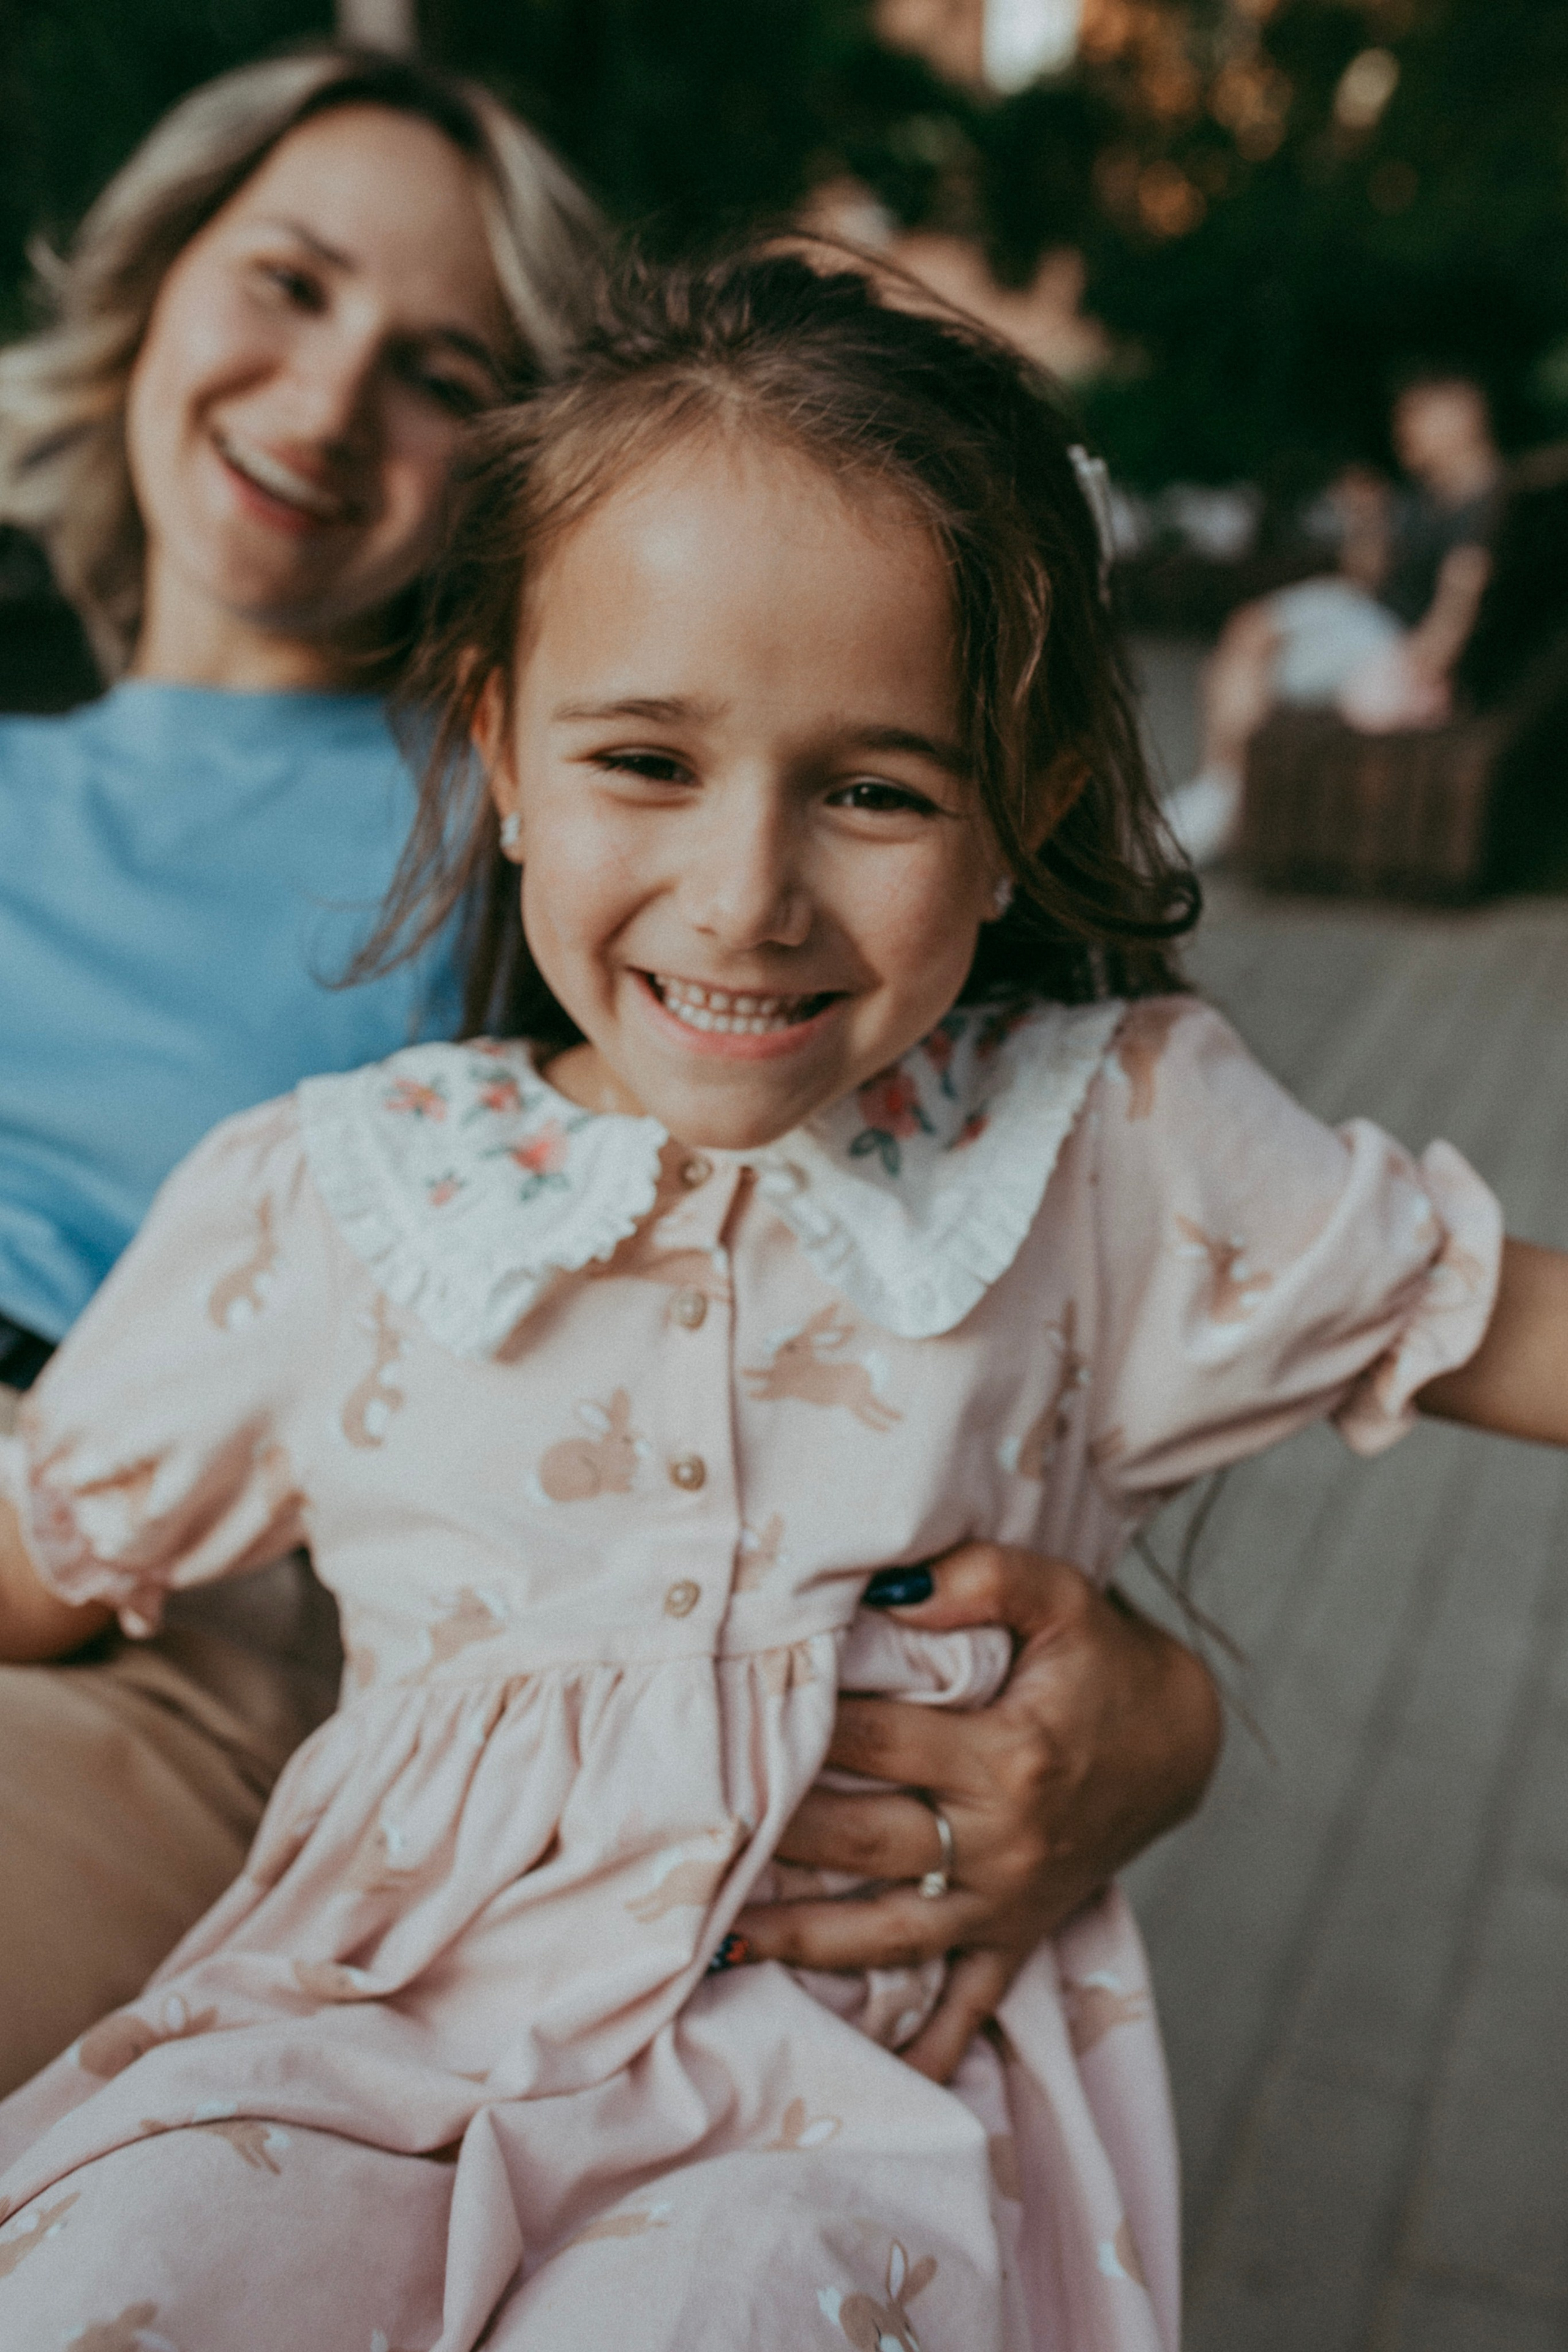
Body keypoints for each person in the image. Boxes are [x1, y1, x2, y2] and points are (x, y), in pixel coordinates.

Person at [1, 246, 1562, 2350]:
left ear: (1018, 822)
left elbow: (1510, 1327)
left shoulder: (1107, 1146)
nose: (748, 892)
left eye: (877, 789)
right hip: (351, 2057)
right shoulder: (335, 1197)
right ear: (504, 749)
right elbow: (45, 1548)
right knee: (115, 2270)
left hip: (836, 2123)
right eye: (647, 760)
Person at [0, 56, 1223, 2095]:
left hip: (125, 1594)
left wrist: (1159, 1715)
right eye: (288, 287)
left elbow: (885, 1266)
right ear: (151, 283)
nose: (319, 405)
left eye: (436, 367)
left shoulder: (564, 845)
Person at [1166, 372, 1504, 864]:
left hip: (1388, 638)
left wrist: (1424, 671)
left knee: (1248, 652)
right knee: (1249, 636)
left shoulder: (1483, 506)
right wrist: (1366, 519)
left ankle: (1222, 794)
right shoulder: (1440, 492)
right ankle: (1223, 793)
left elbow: (1457, 608)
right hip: (1371, 617)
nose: (1403, 430)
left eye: (1415, 415)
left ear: (1461, 415)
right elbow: (1368, 577)